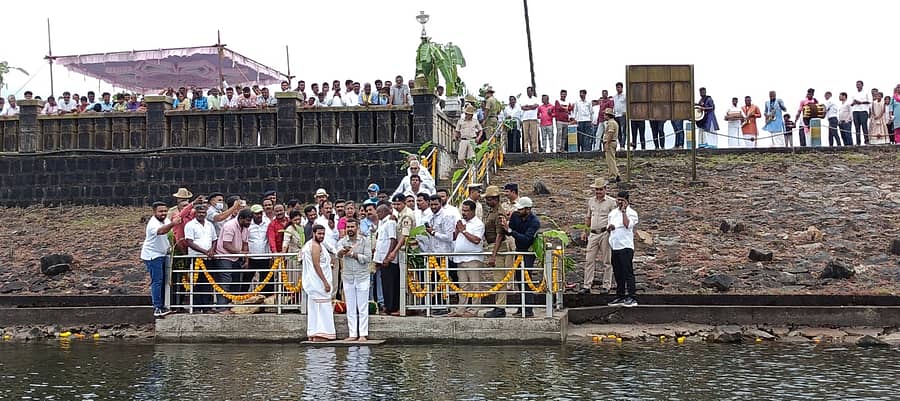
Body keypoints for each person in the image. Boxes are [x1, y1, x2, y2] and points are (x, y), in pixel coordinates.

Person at [500, 196, 540, 317]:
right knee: (519, 279)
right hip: (519, 250)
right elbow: (510, 229)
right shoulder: (516, 216)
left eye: (521, 209)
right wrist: (506, 225)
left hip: (528, 251)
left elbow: (527, 239)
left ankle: (528, 309)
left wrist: (511, 231)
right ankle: (521, 307)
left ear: (528, 209)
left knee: (526, 279)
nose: (518, 211)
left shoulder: (534, 222)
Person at [140, 202, 181, 318]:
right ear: (154, 212)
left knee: (164, 281)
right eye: (160, 211)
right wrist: (173, 223)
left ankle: (163, 305)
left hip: (163, 254)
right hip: (152, 255)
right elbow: (162, 231)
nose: (163, 213)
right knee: (157, 281)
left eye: (165, 211)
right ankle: (157, 307)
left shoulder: (166, 221)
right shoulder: (152, 224)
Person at [337, 218, 372, 341]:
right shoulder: (342, 241)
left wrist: (353, 255)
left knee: (362, 306)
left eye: (352, 227)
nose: (350, 229)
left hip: (362, 276)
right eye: (348, 227)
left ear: (357, 227)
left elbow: (368, 258)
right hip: (348, 277)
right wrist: (342, 251)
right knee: (350, 307)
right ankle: (352, 334)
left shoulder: (365, 241)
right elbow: (338, 254)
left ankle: (363, 334)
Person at [580, 179, 617, 294]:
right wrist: (584, 231)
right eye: (597, 189)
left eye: (600, 189)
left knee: (607, 260)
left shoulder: (611, 202)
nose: (598, 192)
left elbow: (615, 217)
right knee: (589, 259)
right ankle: (587, 285)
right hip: (593, 233)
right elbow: (588, 217)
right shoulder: (591, 201)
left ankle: (606, 285)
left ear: (605, 189)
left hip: (605, 232)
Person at [451, 200, 485, 317]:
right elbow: (454, 238)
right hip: (460, 259)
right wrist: (457, 230)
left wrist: (463, 231)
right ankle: (461, 309)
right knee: (463, 286)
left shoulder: (478, 224)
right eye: (462, 210)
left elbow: (476, 240)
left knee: (475, 285)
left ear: (473, 211)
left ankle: (474, 310)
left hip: (473, 259)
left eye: (466, 210)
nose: (463, 213)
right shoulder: (460, 222)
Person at [606, 190, 639, 307]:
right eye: (618, 199)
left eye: (622, 200)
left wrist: (624, 211)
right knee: (618, 272)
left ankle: (632, 296)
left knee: (627, 272)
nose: (619, 202)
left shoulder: (632, 213)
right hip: (615, 245)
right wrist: (610, 228)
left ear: (627, 201)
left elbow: (627, 225)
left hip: (626, 246)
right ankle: (620, 295)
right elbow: (608, 227)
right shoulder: (613, 213)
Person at [302, 224, 334, 341]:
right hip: (318, 282)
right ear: (314, 233)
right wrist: (325, 282)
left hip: (314, 282)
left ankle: (314, 333)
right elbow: (316, 265)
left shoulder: (310, 245)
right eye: (319, 234)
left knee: (315, 307)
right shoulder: (314, 246)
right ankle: (322, 333)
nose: (321, 236)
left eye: (323, 234)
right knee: (322, 306)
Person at [372, 204, 399, 315]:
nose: (377, 215)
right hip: (381, 258)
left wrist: (388, 256)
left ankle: (391, 307)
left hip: (388, 259)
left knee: (390, 284)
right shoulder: (382, 223)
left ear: (385, 212)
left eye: (379, 212)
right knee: (385, 283)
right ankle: (388, 306)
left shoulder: (390, 222)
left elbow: (393, 240)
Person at [602, 108, 620, 183]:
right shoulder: (612, 122)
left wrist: (607, 143)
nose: (603, 116)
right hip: (612, 142)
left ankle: (613, 175)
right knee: (611, 159)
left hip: (610, 143)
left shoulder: (611, 123)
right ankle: (616, 174)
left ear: (607, 115)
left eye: (605, 114)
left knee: (610, 160)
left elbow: (610, 133)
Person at [851, 80, 871, 145]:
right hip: (855, 111)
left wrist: (861, 102)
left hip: (863, 111)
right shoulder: (854, 93)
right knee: (857, 127)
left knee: (864, 126)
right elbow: (851, 104)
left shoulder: (866, 92)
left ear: (862, 85)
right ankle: (858, 142)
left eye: (859, 84)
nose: (858, 85)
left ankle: (866, 141)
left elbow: (869, 101)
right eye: (857, 84)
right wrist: (854, 103)